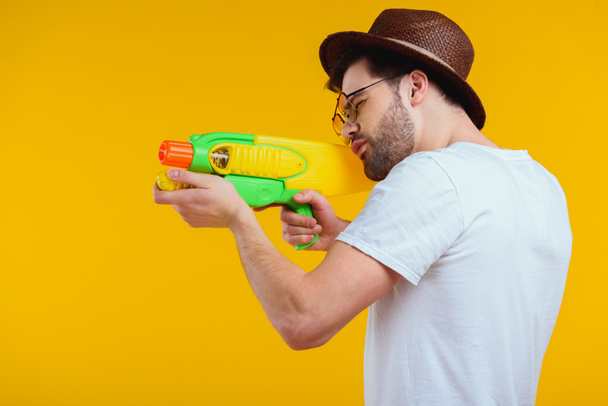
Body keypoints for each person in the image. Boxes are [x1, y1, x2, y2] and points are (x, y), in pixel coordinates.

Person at [154, 9, 572, 405]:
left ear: (414, 87)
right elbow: (463, 279)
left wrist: (237, 218)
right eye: (342, 112)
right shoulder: (540, 185)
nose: (347, 126)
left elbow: (303, 320)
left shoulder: (429, 176)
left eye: (357, 103)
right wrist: (350, 234)